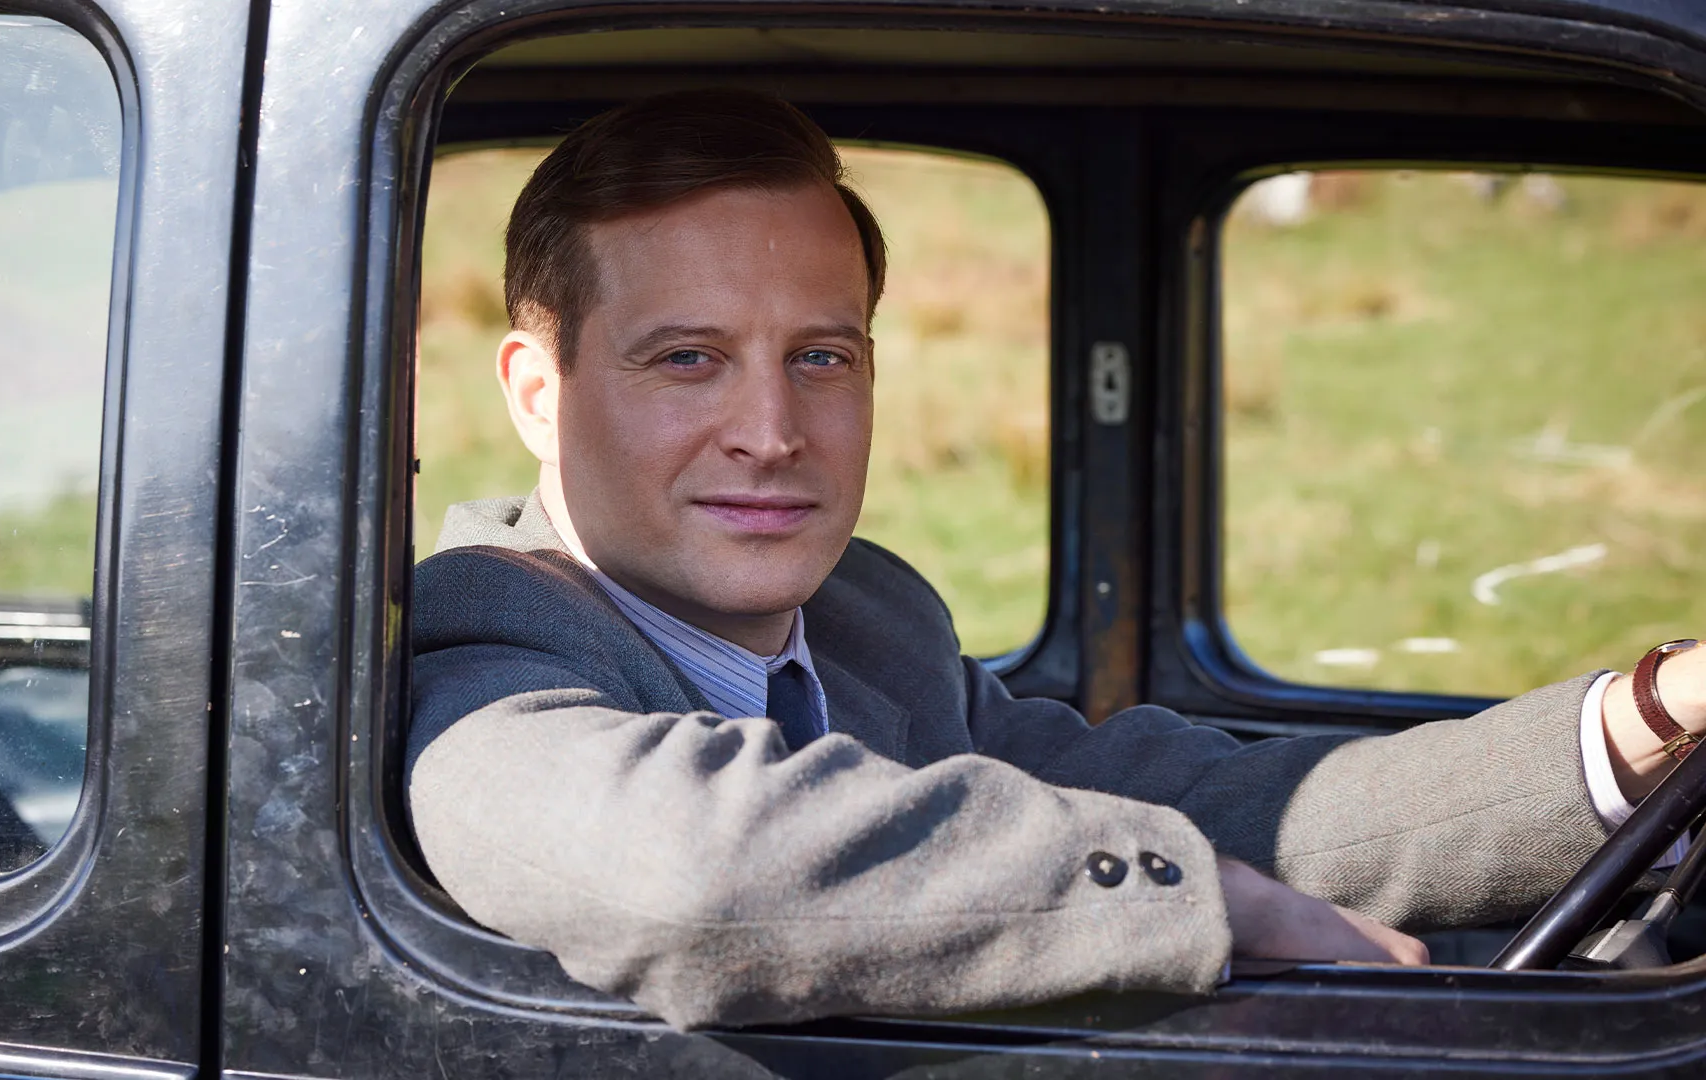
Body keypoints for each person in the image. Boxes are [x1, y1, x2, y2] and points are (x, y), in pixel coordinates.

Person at [406, 89, 1706, 1031]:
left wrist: (1643, 723)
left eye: (823, 354)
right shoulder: (478, 641)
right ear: (538, 391)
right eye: (687, 358)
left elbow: (1199, 801)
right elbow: (683, 875)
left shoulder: (866, 617)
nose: (772, 431)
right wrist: (1216, 908)